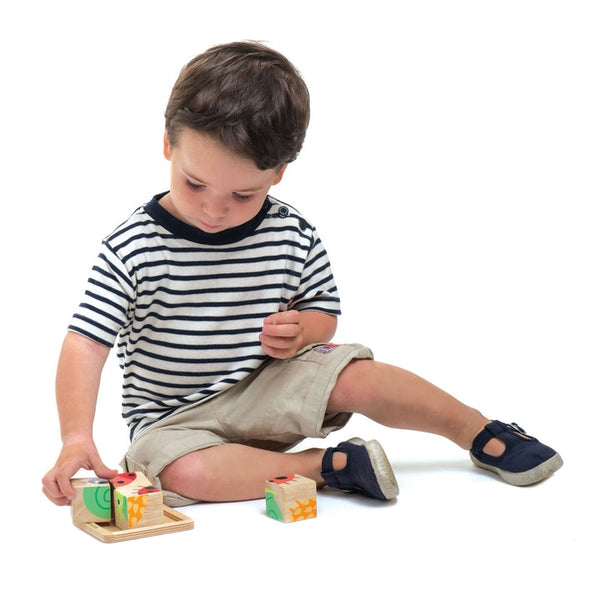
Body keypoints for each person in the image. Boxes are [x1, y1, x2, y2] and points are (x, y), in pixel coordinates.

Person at [42, 41, 562, 508]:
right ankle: (328, 468)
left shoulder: (292, 232)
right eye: (194, 183)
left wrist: (304, 332)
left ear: (278, 174)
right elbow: (85, 344)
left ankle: (478, 430)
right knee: (182, 472)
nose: (214, 210)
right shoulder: (131, 247)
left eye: (243, 195)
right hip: (175, 422)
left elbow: (323, 316)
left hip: (269, 387)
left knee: (361, 375)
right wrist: (75, 435)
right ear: (167, 145)